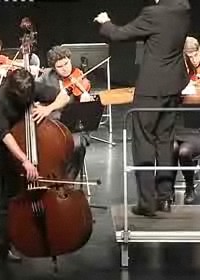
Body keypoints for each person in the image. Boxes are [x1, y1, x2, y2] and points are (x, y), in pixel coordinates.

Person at [94, 0, 191, 216]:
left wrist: (105, 22)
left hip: (151, 87)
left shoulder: (153, 13)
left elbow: (119, 34)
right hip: (173, 84)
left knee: (144, 141)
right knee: (165, 140)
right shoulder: (184, 8)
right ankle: (164, 198)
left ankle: (147, 203)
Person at [0, 68, 74, 270]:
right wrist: (26, 161)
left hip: (20, 149)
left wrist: (48, 108)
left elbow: (65, 95)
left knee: (8, 202)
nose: (27, 99)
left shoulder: (30, 87)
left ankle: (4, 246)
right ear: (12, 90)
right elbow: (4, 135)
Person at [33, 45, 92, 179]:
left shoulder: (80, 79)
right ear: (54, 68)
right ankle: (49, 178)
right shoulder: (46, 76)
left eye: (66, 63)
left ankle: (68, 182)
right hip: (51, 125)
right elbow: (33, 92)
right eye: (60, 67)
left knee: (76, 145)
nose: (65, 68)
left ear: (70, 59)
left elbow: (87, 112)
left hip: (74, 128)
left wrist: (85, 102)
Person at [173, 36, 200, 204]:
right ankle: (165, 192)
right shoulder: (179, 71)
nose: (192, 60)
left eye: (195, 55)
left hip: (197, 129)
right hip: (180, 128)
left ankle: (189, 186)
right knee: (169, 148)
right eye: (188, 56)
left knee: (184, 152)